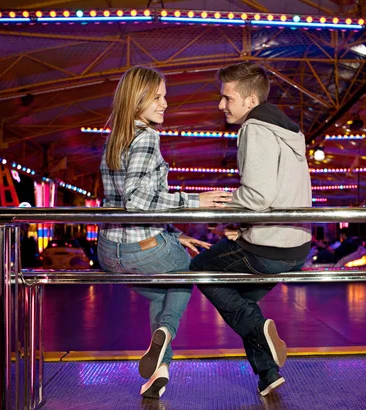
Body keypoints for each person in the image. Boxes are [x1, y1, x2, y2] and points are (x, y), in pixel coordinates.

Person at [97, 66, 232, 399]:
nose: (165, 104)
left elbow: (127, 198)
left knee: (162, 294)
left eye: (164, 96)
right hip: (140, 247)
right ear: (138, 98)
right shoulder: (146, 136)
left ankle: (159, 369)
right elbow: (137, 198)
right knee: (189, 273)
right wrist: (194, 202)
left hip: (108, 250)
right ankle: (166, 332)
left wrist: (174, 234)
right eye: (157, 97)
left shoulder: (117, 137)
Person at [190, 62, 312, 396]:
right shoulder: (289, 132)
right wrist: (239, 223)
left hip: (269, 246)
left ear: (249, 100)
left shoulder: (254, 127)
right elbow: (272, 195)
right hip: (296, 245)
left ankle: (260, 333)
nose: (221, 105)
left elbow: (257, 196)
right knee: (239, 301)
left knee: (200, 269)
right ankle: (267, 373)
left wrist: (221, 208)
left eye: (227, 97)